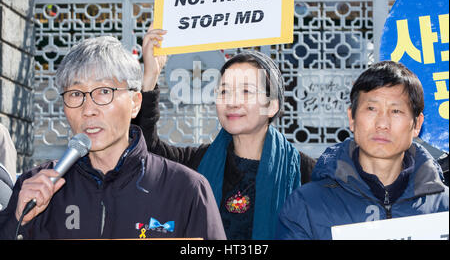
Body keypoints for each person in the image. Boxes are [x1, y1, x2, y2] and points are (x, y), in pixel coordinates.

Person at [0, 36, 226, 240]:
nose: (88, 109)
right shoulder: (35, 186)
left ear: (135, 103)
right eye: (76, 94)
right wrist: (19, 219)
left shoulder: (186, 189)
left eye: (104, 92)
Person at [132, 26, 316, 239]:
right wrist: (150, 76)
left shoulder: (304, 172)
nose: (232, 101)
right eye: (224, 91)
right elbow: (146, 154)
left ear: (272, 105)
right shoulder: (198, 165)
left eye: (246, 91)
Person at [276, 61, 449, 240]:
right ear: (352, 118)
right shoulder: (307, 205)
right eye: (371, 109)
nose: (382, 124)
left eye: (396, 111)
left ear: (417, 124)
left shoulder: (444, 207)